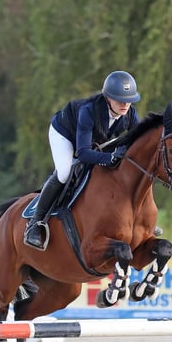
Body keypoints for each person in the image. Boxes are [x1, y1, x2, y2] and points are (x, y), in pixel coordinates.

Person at [23, 70, 142, 250]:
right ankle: (35, 223)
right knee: (64, 173)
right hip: (64, 134)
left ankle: (138, 218)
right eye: (119, 99)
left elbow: (138, 144)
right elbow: (83, 153)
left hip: (94, 139)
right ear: (108, 98)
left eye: (129, 100)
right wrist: (109, 157)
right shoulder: (89, 111)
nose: (125, 104)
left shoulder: (131, 115)